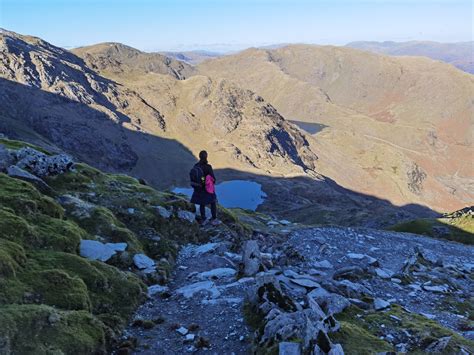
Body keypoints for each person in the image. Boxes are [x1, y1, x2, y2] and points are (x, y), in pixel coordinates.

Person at [190, 150, 220, 225]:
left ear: (199, 156)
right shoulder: (208, 167)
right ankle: (214, 218)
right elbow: (213, 179)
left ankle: (203, 218)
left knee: (202, 203)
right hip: (206, 189)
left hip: (198, 188)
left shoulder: (196, 166)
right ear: (206, 156)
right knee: (213, 202)